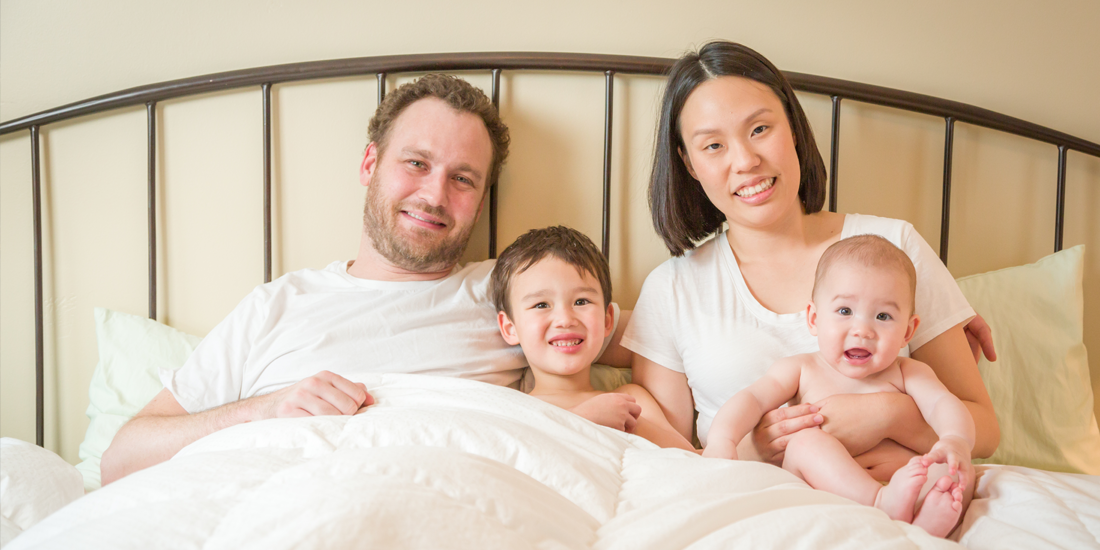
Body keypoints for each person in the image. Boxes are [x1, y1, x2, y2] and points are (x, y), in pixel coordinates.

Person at [101, 74, 631, 485]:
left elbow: (663, 340)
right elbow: (120, 461)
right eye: (416, 163)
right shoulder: (278, 305)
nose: (435, 195)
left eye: (463, 179)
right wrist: (263, 410)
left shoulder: (518, 291)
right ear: (370, 164)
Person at [623, 40, 999, 479]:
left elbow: (986, 432)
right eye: (713, 146)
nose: (745, 161)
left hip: (901, 498)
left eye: (760, 129)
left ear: (794, 128)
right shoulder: (672, 289)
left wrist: (891, 414)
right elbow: (674, 455)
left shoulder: (893, 247)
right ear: (688, 163)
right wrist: (754, 448)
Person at [704, 235, 973, 537]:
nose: (863, 330)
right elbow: (752, 399)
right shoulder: (802, 369)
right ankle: (881, 502)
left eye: (883, 316)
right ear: (814, 318)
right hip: (824, 490)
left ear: (908, 331)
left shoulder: (909, 372)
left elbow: (942, 404)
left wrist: (955, 440)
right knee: (806, 443)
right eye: (845, 311)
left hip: (904, 484)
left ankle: (923, 519)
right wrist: (722, 439)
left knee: (955, 467)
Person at [491, 226, 694, 450]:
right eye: (541, 305)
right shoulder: (513, 408)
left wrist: (632, 424)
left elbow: (683, 456)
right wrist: (583, 419)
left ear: (608, 319)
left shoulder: (630, 399)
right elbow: (515, 454)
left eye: (581, 302)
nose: (565, 319)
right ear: (510, 328)